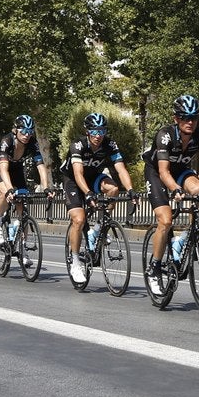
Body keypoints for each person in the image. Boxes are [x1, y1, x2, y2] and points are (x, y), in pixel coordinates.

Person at [147, 94, 199, 282]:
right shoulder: (165, 135)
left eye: (194, 117)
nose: (190, 121)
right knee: (166, 220)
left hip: (180, 170)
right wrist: (176, 189)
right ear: (175, 118)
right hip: (158, 173)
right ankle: (155, 267)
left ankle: (187, 236)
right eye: (185, 117)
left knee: (198, 191)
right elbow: (163, 171)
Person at [62, 112, 134, 284]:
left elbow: (121, 169)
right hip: (73, 180)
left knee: (113, 189)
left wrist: (131, 189)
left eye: (102, 131)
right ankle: (75, 261)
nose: (98, 135)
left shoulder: (109, 144)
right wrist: (87, 193)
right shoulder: (78, 145)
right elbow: (78, 174)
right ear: (87, 131)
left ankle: (99, 228)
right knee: (79, 220)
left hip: (94, 177)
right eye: (94, 131)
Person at [0, 116, 50, 247]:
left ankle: (23, 248)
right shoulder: (7, 140)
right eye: (23, 131)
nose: (27, 135)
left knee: (23, 210)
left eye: (30, 131)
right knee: (5, 193)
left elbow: (40, 165)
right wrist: (10, 189)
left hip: (16, 169)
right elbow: (4, 170)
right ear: (15, 130)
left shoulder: (33, 143)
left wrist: (46, 187)